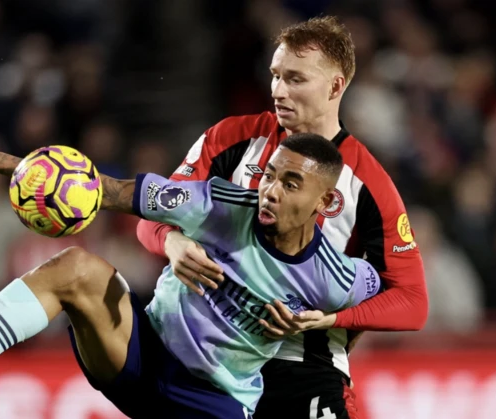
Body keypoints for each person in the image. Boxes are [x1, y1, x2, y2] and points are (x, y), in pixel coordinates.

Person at [0, 106, 381, 418]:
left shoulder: (336, 277)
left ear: (324, 204)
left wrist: (326, 322)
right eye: (270, 175)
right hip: (142, 353)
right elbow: (111, 191)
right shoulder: (222, 205)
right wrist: (3, 162)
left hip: (214, 404)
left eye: (290, 184)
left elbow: (393, 303)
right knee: (75, 267)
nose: (270, 190)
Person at [136, 16, 428, 418]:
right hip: (213, 354)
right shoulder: (230, 139)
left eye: (295, 79)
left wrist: (331, 319)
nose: (277, 90)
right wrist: (170, 241)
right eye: (275, 76)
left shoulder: (369, 183)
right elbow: (150, 212)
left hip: (302, 367)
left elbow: (412, 302)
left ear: (335, 86)